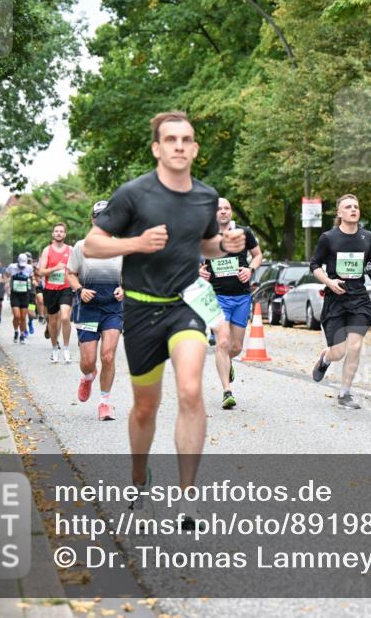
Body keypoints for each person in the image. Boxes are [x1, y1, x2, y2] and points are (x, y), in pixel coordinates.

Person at [83, 110, 245, 527]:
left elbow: (205, 246)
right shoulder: (133, 194)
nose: (178, 145)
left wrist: (226, 246)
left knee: (191, 389)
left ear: (194, 148)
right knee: (144, 409)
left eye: (186, 139)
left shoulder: (206, 197)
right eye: (170, 139)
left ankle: (188, 497)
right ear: (157, 147)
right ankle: (139, 480)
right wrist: (136, 242)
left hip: (185, 304)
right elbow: (93, 244)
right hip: (139, 308)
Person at [309, 194, 371, 409]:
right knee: (339, 352)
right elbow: (314, 265)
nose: (353, 210)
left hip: (358, 298)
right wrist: (330, 283)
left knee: (356, 346)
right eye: (348, 207)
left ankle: (345, 393)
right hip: (336, 299)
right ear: (339, 213)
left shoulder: (366, 237)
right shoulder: (328, 238)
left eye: (356, 206)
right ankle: (326, 358)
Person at [198, 197, 262, 410]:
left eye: (227, 208)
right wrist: (199, 272)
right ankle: (227, 391)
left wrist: (250, 270)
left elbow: (257, 255)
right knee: (223, 343)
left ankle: (228, 363)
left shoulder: (244, 233)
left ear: (231, 212)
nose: (223, 211)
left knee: (235, 347)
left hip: (242, 296)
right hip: (217, 297)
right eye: (219, 209)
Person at [67, 200, 125, 422]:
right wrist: (79, 290)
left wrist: (124, 290)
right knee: (88, 361)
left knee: (108, 356)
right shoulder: (81, 247)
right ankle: (88, 376)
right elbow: (70, 273)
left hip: (112, 308)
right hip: (88, 309)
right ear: (93, 220)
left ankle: (104, 404)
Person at [39, 225, 74, 363]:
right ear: (53, 234)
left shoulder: (70, 250)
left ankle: (66, 349)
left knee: (65, 317)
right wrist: (55, 268)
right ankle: (54, 349)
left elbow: (76, 267)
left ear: (65, 234)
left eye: (61, 231)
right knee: (52, 322)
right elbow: (41, 272)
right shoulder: (47, 250)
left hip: (66, 288)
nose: (59, 233)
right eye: (56, 231)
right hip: (50, 289)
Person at [7, 254, 33, 344]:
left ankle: (22, 335)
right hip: (15, 294)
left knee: (23, 317)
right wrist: (6, 283)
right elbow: (6, 275)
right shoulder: (12, 267)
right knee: (17, 316)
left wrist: (33, 283)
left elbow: (31, 278)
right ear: (17, 261)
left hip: (25, 294)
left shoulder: (29, 268)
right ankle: (16, 331)